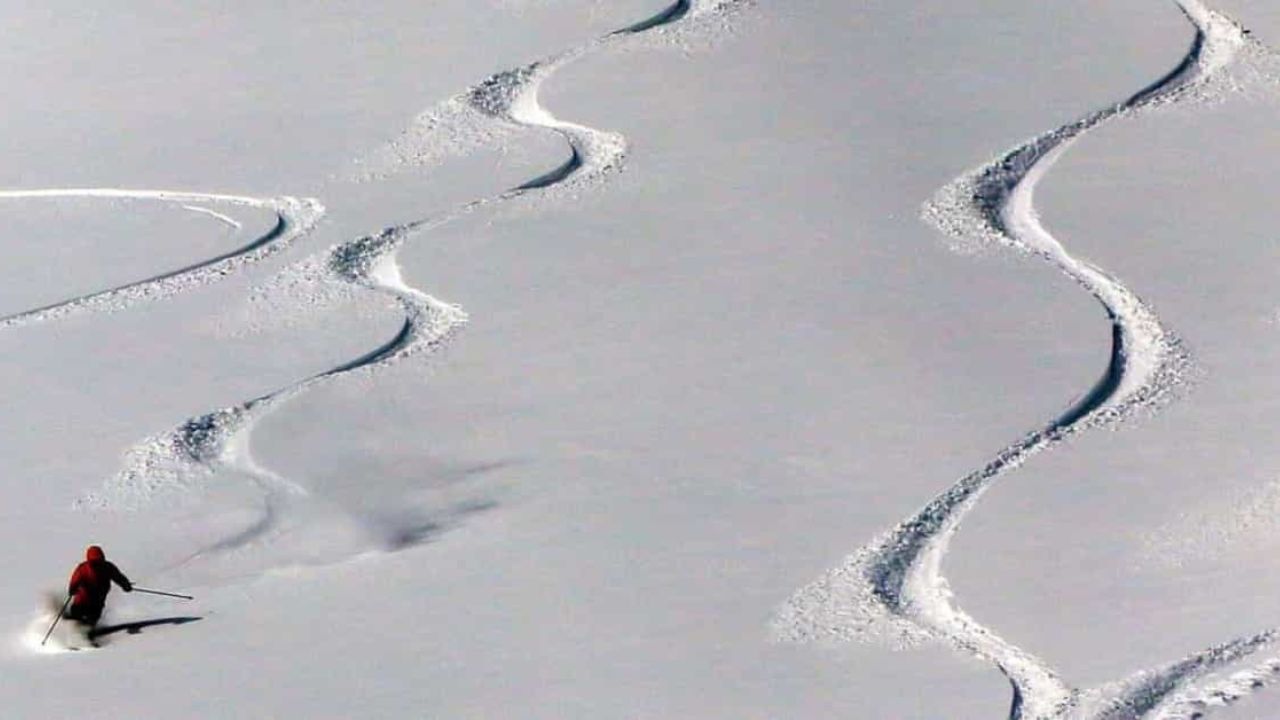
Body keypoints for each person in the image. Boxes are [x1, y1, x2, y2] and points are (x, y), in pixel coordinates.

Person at [67, 545, 132, 628]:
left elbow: (118, 577)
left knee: (94, 615)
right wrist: (72, 588)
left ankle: (88, 629)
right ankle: (73, 627)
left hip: (99, 597)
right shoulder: (82, 569)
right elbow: (75, 579)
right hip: (83, 597)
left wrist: (125, 585)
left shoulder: (108, 567)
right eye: (94, 562)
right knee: (77, 614)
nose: (97, 565)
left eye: (99, 561)